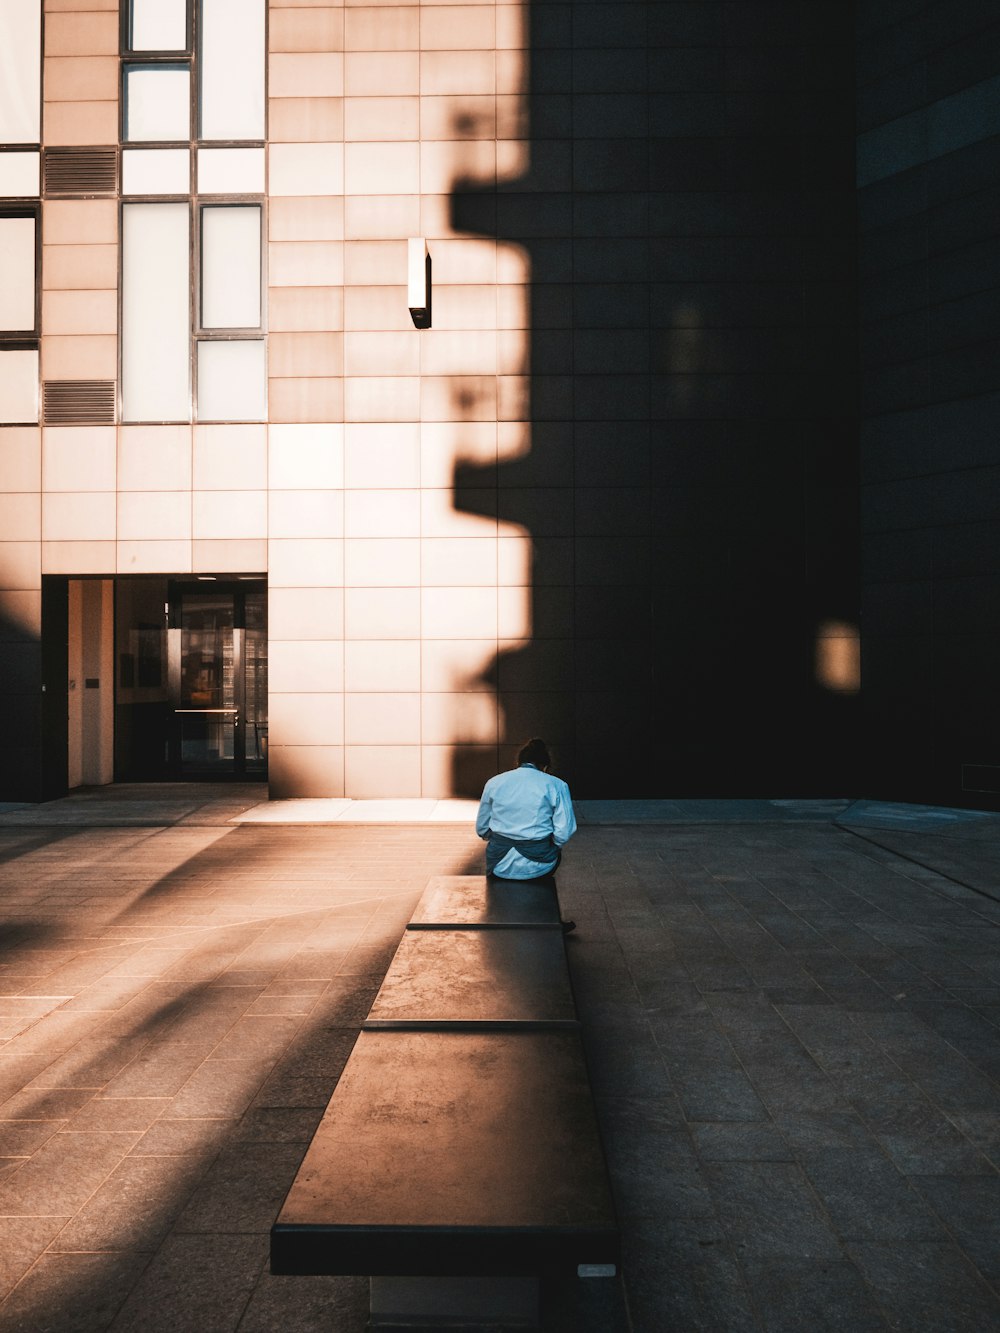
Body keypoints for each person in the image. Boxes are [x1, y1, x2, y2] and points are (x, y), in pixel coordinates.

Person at [476, 738, 578, 932]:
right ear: (545, 765)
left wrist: (501, 838)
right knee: (552, 856)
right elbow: (565, 831)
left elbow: (482, 828)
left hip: (499, 862)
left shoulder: (495, 782)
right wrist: (553, 843)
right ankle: (548, 917)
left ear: (519, 762)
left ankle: (499, 914)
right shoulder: (556, 785)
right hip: (540, 863)